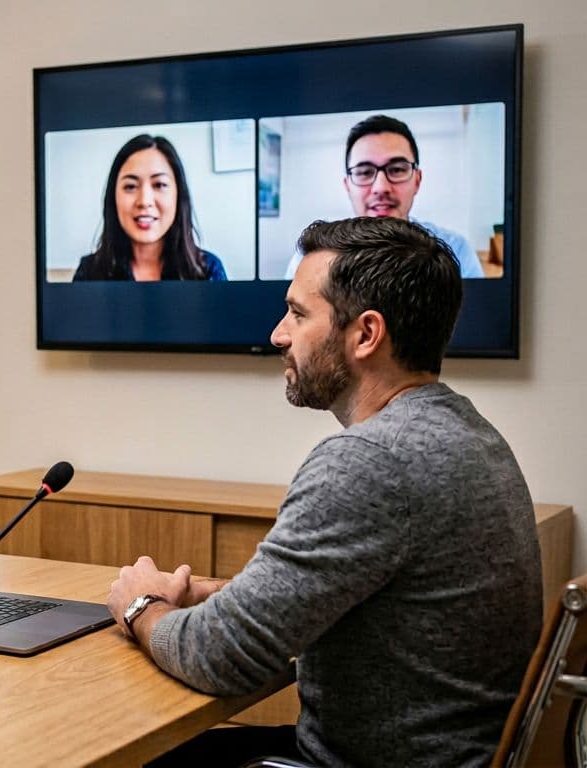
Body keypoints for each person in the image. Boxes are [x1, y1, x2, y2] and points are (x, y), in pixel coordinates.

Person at [109, 217, 540, 766]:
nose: (278, 335)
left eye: (297, 313)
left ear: (365, 334)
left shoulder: (370, 461)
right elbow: (364, 599)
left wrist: (140, 604)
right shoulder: (468, 432)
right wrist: (220, 597)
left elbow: (218, 655)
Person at [284, 114, 485, 279]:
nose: (380, 187)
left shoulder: (456, 252)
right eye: (364, 172)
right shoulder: (311, 256)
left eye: (396, 169)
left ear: (417, 180)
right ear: (347, 185)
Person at [73, 134, 227, 282]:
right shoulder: (89, 272)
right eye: (130, 186)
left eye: (159, 185)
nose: (145, 201)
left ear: (178, 195)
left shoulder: (208, 271)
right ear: (113, 197)